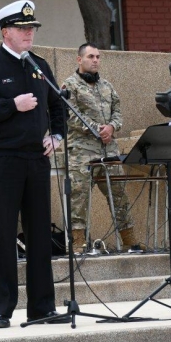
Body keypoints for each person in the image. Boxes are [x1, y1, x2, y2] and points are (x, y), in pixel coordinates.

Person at [0, 0, 67, 328]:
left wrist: (58, 135)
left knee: (39, 236)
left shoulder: (38, 65)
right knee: (3, 237)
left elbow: (58, 105)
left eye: (32, 28)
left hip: (36, 160)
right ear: (6, 32)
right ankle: (1, 309)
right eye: (22, 29)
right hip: (2, 161)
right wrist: (12, 105)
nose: (29, 34)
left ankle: (42, 308)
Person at [61, 43, 141, 253]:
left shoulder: (107, 86)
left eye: (98, 56)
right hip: (82, 153)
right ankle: (78, 244)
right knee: (79, 198)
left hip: (109, 151)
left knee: (119, 196)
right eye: (90, 56)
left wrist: (113, 127)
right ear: (79, 59)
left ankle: (129, 242)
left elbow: (118, 113)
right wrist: (99, 129)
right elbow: (71, 116)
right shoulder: (69, 86)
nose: (95, 60)